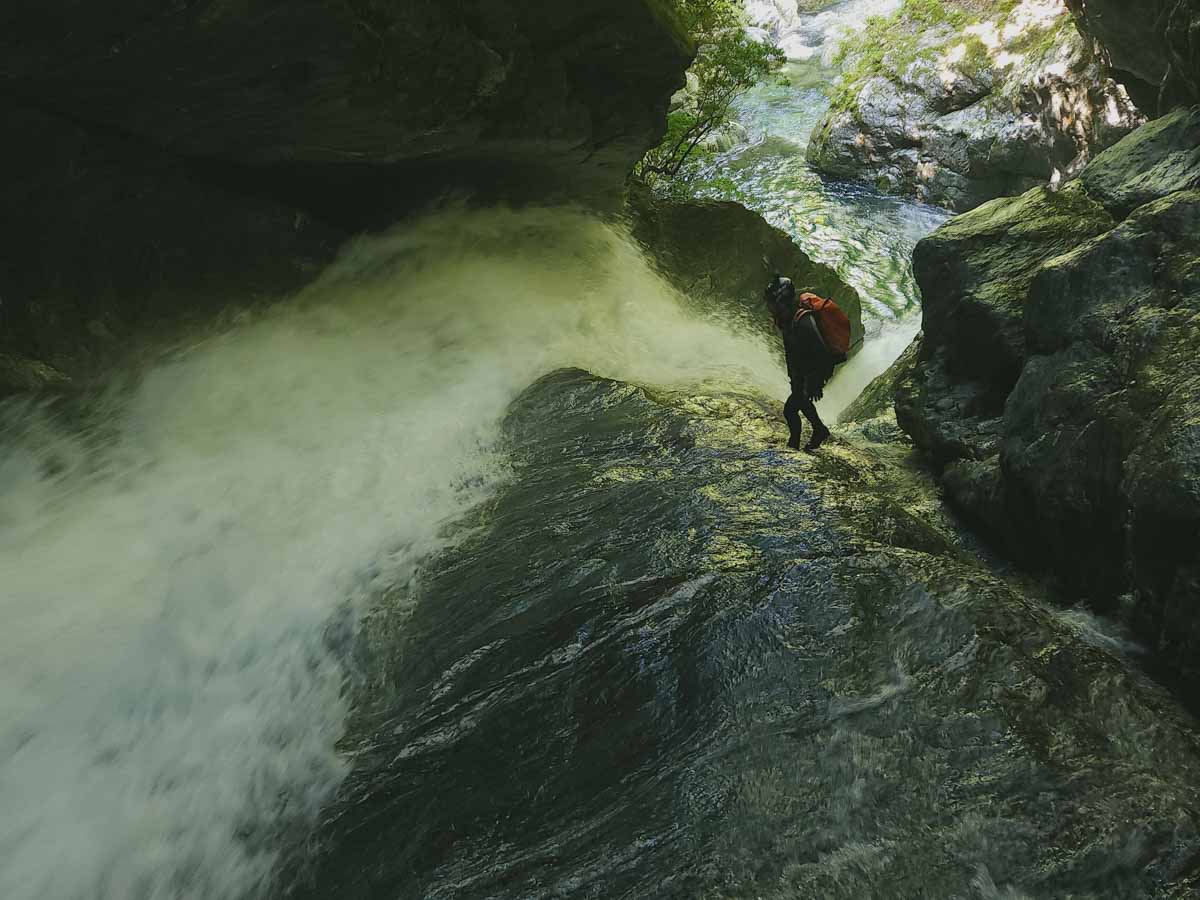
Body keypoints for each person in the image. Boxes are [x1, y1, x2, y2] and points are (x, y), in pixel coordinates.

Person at [764, 275, 835, 452]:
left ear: (781, 302)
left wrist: (815, 382)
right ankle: (818, 430)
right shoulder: (786, 318)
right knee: (801, 400)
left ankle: (795, 443)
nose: (769, 307)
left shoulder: (804, 321)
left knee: (790, 410)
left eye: (771, 303)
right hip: (801, 370)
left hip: (812, 372)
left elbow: (822, 352)